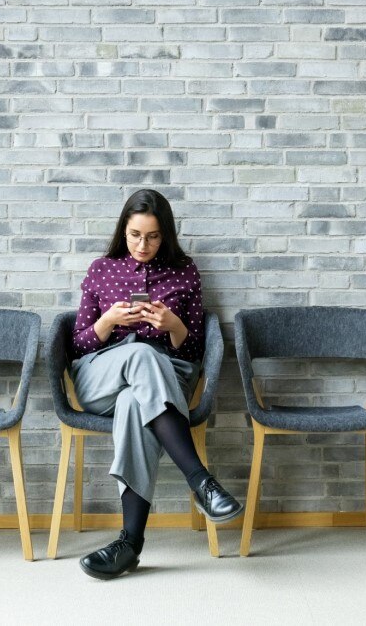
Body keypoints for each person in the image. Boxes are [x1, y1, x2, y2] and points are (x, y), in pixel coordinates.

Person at [68, 188, 243, 579]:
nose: (142, 245)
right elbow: (77, 342)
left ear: (165, 235)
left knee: (135, 401)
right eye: (134, 235)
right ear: (123, 231)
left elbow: (197, 347)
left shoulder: (185, 270)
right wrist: (109, 322)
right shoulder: (101, 269)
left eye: (152, 236)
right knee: (141, 356)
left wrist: (174, 326)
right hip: (100, 375)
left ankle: (129, 544)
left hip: (163, 379)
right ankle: (201, 481)